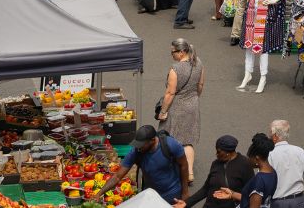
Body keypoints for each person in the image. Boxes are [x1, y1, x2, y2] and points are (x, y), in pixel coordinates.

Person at [97, 125, 190, 202]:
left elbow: (184, 165)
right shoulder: (136, 151)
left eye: (141, 144)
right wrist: (99, 194)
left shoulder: (170, 145)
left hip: (172, 193)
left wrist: (185, 191)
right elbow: (117, 176)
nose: (138, 148)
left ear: (153, 140)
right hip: (151, 194)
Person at [158, 38, 205, 182]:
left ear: (182, 52)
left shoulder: (175, 69)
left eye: (173, 52)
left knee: (170, 138)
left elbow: (170, 93)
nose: (172, 55)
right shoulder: (199, 63)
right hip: (192, 104)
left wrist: (163, 111)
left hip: (177, 107)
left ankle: (171, 171)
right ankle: (189, 173)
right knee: (187, 141)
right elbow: (201, 85)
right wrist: (194, 98)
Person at [174, 135, 255, 208]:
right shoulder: (216, 164)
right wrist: (186, 203)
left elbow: (251, 194)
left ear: (228, 153)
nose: (216, 154)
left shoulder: (245, 165)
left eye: (219, 151)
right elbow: (206, 189)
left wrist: (233, 195)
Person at [211, 133, 277, 208]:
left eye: (249, 157)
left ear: (257, 158)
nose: (248, 160)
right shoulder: (272, 173)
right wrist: (232, 194)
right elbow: (254, 199)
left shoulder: (259, 180)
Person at [268, 120, 304, 208]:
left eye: (270, 133)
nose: (269, 136)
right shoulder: (299, 151)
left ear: (275, 136)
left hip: (278, 202)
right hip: (298, 200)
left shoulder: (270, 154)